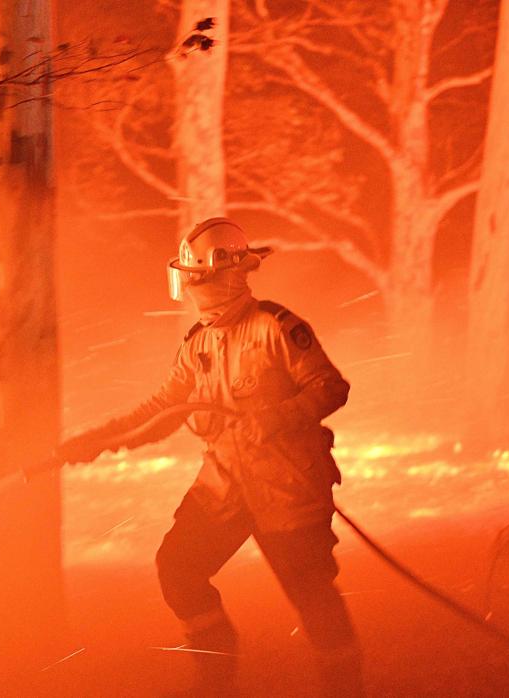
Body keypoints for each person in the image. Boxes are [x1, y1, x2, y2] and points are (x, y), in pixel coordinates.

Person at [58, 217, 363, 696]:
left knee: (311, 595)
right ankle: (214, 680)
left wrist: (274, 418)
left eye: (194, 278)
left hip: (288, 487)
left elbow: (330, 388)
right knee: (178, 569)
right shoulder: (197, 344)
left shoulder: (277, 327)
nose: (191, 290)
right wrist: (95, 440)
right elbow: (162, 410)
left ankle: (345, 688)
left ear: (223, 276)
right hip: (225, 486)